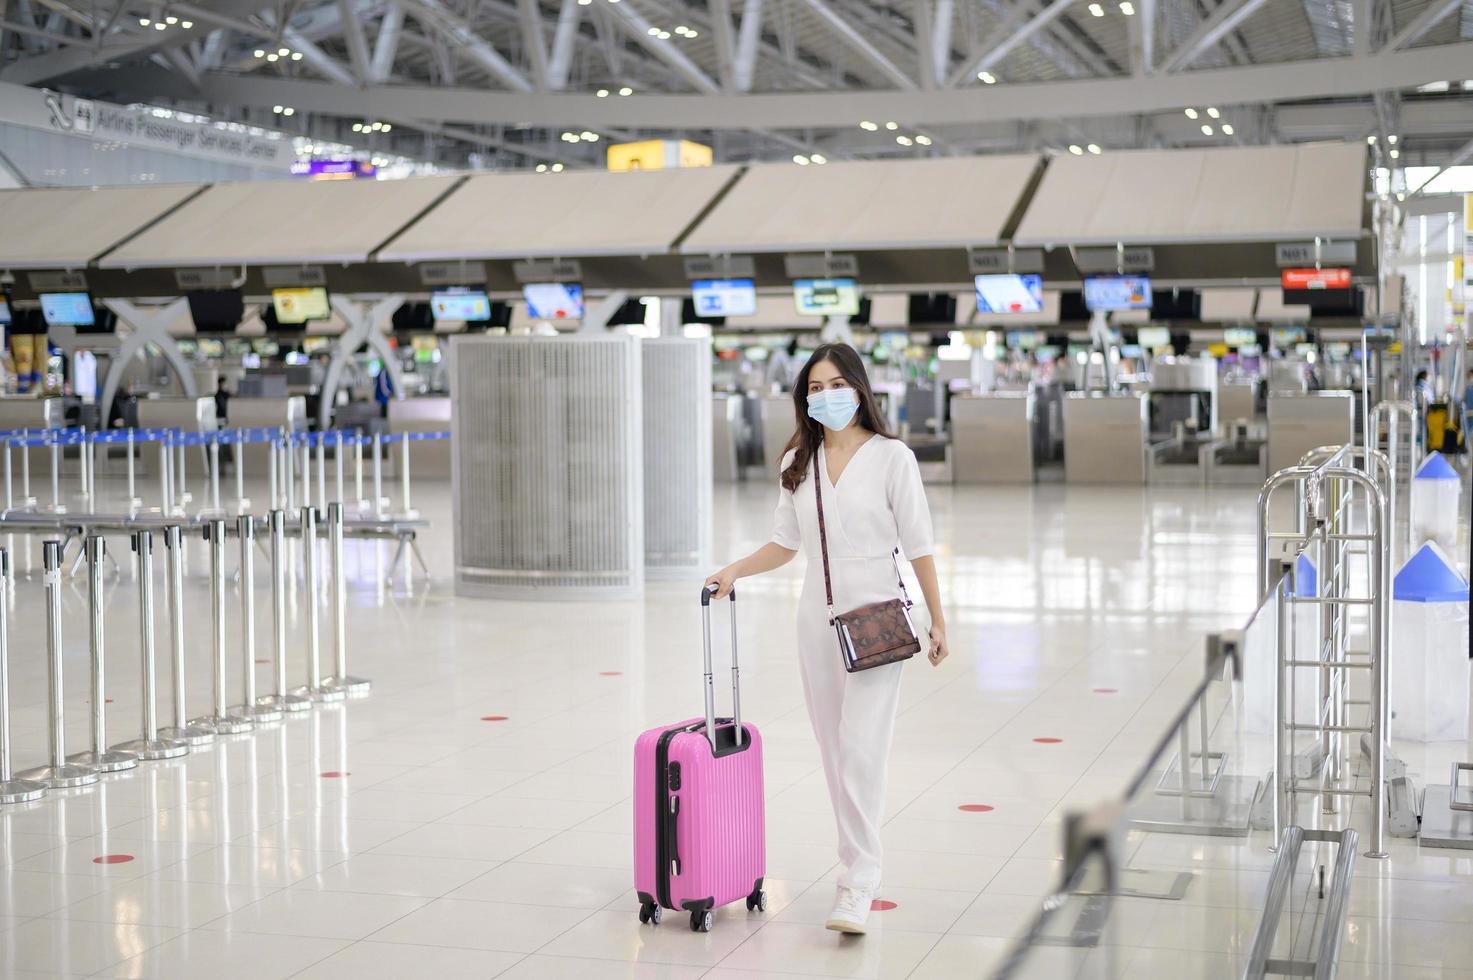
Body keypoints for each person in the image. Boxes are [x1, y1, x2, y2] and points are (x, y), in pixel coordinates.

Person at [705, 342, 949, 936]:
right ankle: (856, 867)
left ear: (859, 388)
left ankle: (859, 881)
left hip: (879, 617)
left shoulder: (893, 458)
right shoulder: (800, 459)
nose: (825, 396)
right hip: (817, 616)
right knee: (834, 750)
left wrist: (938, 619)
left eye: (835, 384)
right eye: (814, 388)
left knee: (862, 746)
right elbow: (786, 543)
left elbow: (918, 542)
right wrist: (734, 568)